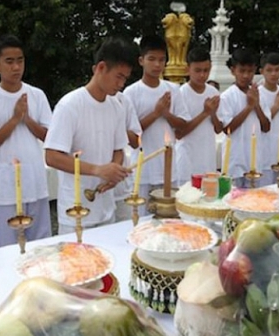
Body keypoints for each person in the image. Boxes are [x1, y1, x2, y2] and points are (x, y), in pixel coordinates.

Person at [44, 37, 136, 234]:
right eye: (118, 76)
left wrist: (115, 171)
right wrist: (98, 170)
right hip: (76, 212)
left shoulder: (117, 107)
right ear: (101, 68)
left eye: (125, 79)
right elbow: (52, 156)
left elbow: (118, 148)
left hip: (105, 208)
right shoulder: (70, 105)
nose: (121, 84)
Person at [0, 35, 52, 246]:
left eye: (20, 60)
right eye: (9, 61)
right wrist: (14, 119)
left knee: (41, 245)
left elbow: (49, 136)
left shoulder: (36, 95)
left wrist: (27, 119)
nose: (16, 66)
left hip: (35, 181)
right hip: (5, 188)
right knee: (7, 248)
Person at [123, 35, 189, 212]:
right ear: (141, 60)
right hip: (143, 168)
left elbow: (183, 125)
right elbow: (131, 136)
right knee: (141, 216)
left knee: (168, 214)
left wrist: (166, 113)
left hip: (168, 168)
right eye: (152, 59)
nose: (157, 65)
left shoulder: (173, 90)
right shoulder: (131, 93)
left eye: (161, 60)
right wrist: (156, 113)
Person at [219, 48, 271, 187]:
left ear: (255, 70)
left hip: (254, 159)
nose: (246, 75)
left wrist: (256, 105)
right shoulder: (227, 96)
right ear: (233, 70)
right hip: (234, 159)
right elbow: (227, 128)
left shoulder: (260, 94)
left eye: (250, 71)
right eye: (242, 71)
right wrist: (248, 107)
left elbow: (266, 127)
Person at [175, 47, 222, 185]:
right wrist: (205, 113)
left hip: (207, 157)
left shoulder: (213, 92)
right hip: (187, 159)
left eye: (206, 70)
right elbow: (179, 133)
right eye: (197, 70)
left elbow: (219, 129)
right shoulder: (181, 94)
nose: (202, 75)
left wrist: (212, 113)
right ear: (187, 69)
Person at [258, 52, 279, 185]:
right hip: (264, 150)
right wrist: (278, 105)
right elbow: (262, 124)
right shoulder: (258, 94)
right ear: (262, 71)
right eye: (269, 70)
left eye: (277, 70)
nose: (273, 74)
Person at [112, 92, 141, 222]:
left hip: (121, 185)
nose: (120, 83)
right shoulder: (79, 102)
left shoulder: (123, 100)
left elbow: (136, 141)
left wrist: (117, 124)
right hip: (95, 184)